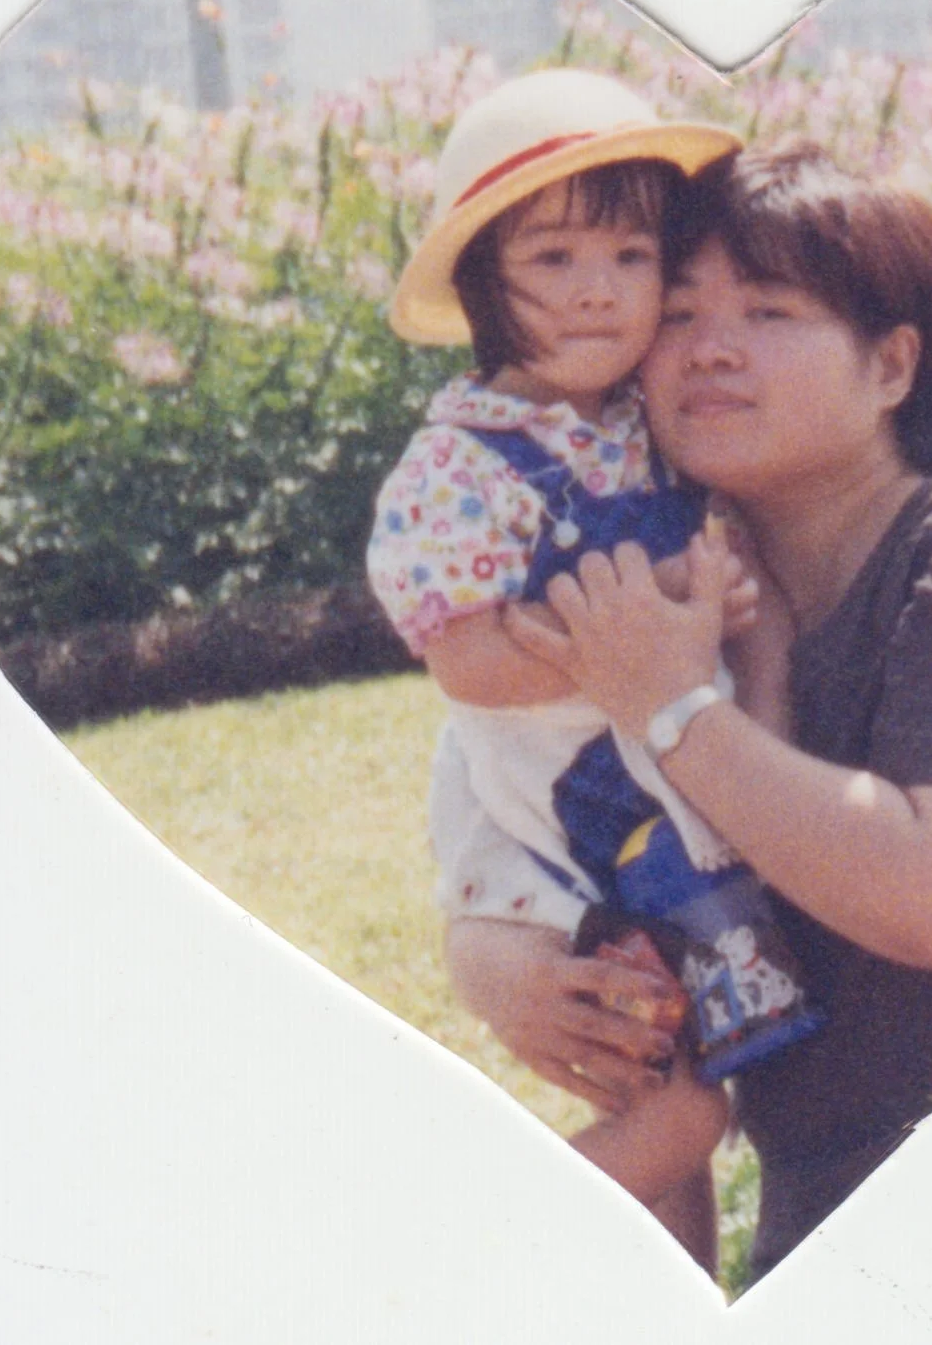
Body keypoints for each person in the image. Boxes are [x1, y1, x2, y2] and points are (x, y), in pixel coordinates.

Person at [471, 142, 932, 1282]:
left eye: (770, 310)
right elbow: (543, 884)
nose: (711, 348)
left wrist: (671, 709)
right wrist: (518, 977)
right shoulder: (666, 619)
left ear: (893, 367)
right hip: (833, 1243)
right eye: (675, 314)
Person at [365, 70, 822, 1271]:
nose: (596, 295)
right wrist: (657, 624)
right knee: (681, 1108)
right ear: (481, 283)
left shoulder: (640, 419)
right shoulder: (466, 463)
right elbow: (465, 660)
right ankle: (454, 1269)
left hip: (677, 805)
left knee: (667, 1113)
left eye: (629, 259)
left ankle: (663, 1302)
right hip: (567, 836)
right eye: (555, 259)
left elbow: (731, 574)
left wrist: (704, 609)